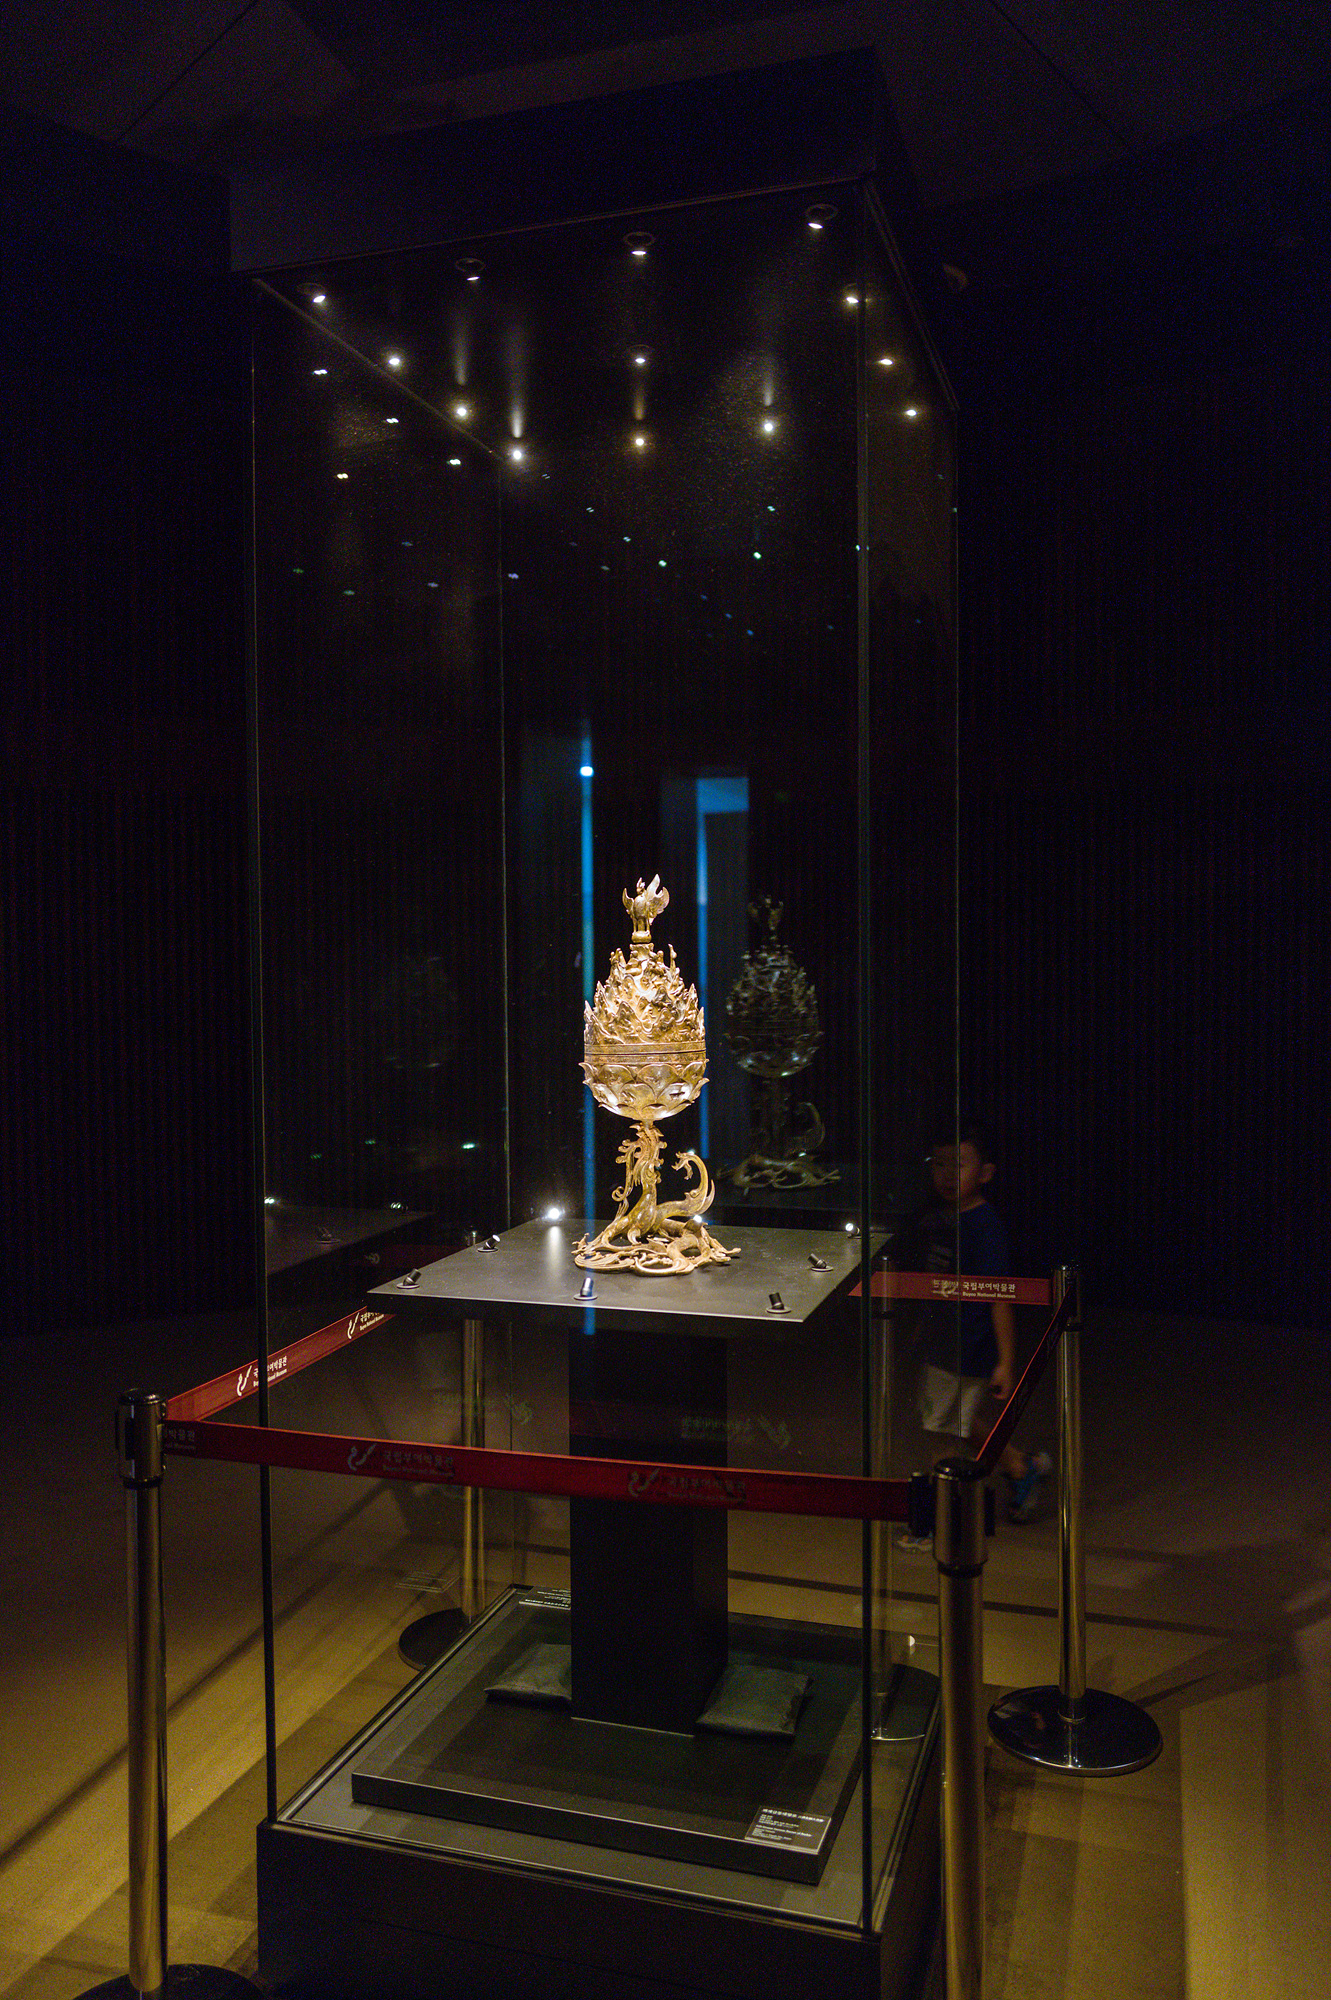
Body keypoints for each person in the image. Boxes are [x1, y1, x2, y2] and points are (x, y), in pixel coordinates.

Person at [897, 1121, 1049, 1547]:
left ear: (985, 1173)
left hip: (966, 1346)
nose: (947, 1174)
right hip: (941, 1343)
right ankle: (1021, 1466)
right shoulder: (939, 1218)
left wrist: (1006, 1361)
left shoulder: (985, 1228)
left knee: (940, 1435)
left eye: (959, 1164)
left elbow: (1000, 1297)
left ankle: (940, 1525)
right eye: (939, 1164)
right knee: (956, 1421)